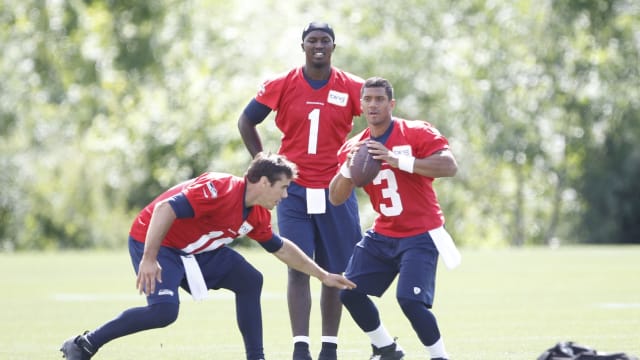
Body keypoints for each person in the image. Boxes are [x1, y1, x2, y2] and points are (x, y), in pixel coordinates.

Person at [59, 152, 356, 360]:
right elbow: (165, 210)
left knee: (250, 280)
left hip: (196, 249)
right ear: (264, 182)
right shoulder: (219, 188)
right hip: (158, 243)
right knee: (164, 312)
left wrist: (323, 275)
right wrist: (149, 258)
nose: (285, 195)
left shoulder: (257, 215)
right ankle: (84, 344)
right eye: (283, 187)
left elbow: (280, 248)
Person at [237, 21, 364, 360]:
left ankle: (330, 348)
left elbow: (381, 123)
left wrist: (361, 158)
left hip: (336, 188)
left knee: (335, 269)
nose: (318, 45)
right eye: (312, 40)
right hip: (293, 191)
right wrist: (263, 159)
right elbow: (246, 120)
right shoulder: (282, 84)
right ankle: (300, 347)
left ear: (334, 47)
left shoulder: (353, 86)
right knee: (299, 267)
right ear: (303, 45)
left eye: (325, 40)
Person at [328, 77, 459, 360]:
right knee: (348, 291)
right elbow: (336, 198)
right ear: (361, 105)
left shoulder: (415, 132)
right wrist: (349, 170)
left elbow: (449, 166)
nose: (373, 105)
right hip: (384, 233)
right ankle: (387, 348)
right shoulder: (353, 147)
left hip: (421, 232)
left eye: (379, 99)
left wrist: (399, 161)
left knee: (410, 301)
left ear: (391, 104)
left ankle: (440, 357)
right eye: (368, 100)